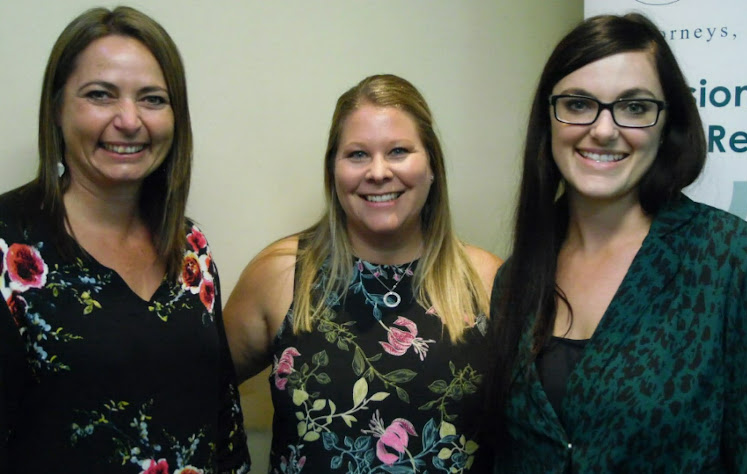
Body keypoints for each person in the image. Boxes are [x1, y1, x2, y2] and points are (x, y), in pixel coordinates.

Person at [486, 13, 747, 472]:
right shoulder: (518, 276)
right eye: (578, 103)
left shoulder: (728, 258)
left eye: (633, 107)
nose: (604, 130)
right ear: (548, 119)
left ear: (668, 125)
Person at [0, 6, 251, 472]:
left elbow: (224, 423)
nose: (130, 120)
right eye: (100, 95)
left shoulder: (189, 247)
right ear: (56, 109)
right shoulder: (6, 248)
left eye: (153, 99)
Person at [224, 74, 502, 472]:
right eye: (357, 154)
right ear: (333, 171)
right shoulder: (283, 275)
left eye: (399, 151)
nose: (377, 172)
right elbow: (199, 393)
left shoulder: (485, 280)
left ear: (432, 166)